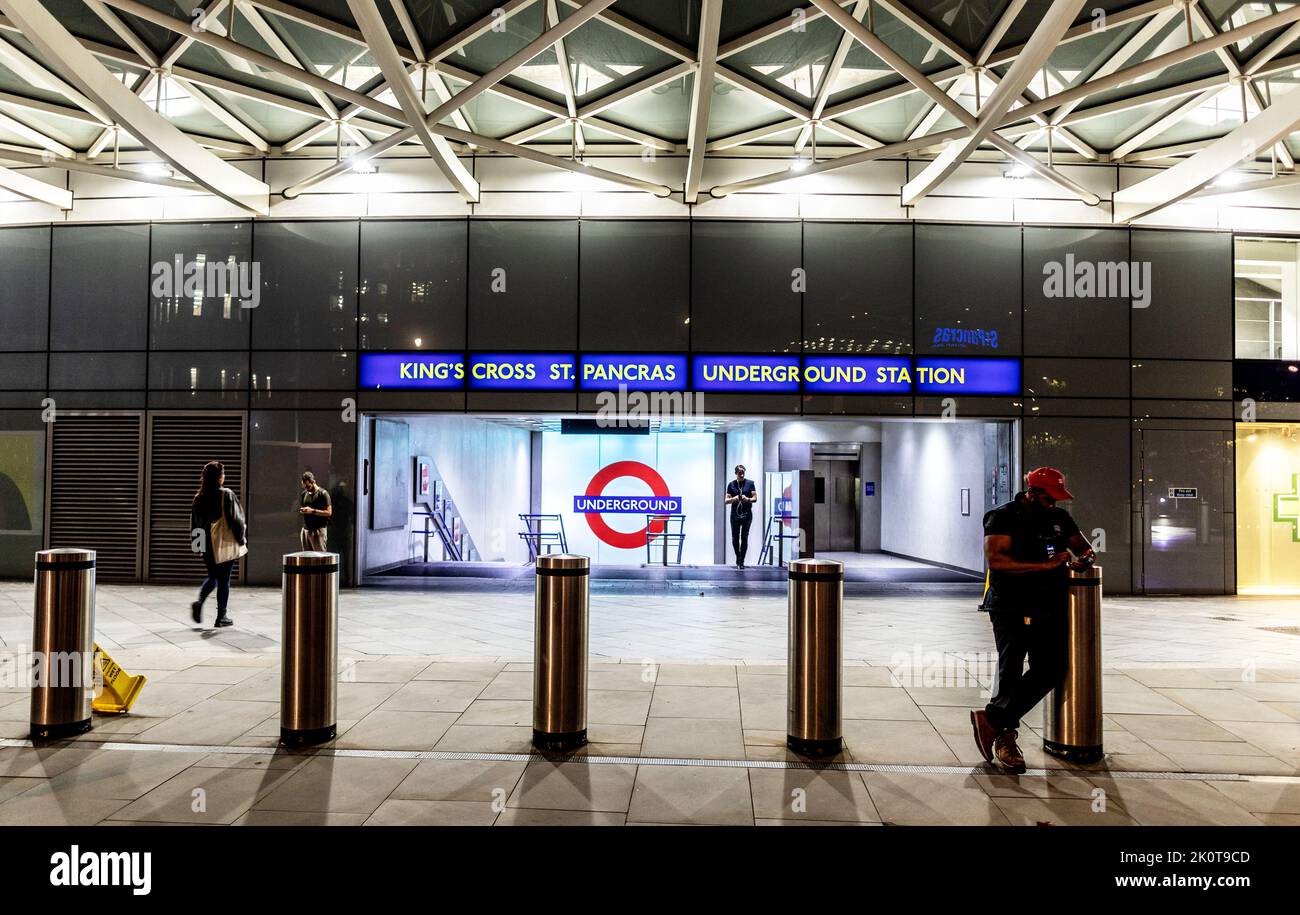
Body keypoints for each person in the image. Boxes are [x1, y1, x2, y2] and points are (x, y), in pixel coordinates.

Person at [970, 467, 1095, 773]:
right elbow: (997, 561)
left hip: (1048, 605)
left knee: (1051, 669)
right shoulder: (1001, 517)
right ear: (1032, 492)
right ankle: (1007, 740)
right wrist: (1047, 564)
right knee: (1010, 669)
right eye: (1050, 498)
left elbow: (1083, 546)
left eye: (1058, 499)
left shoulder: (1060, 519)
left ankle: (992, 719)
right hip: (1009, 605)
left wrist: (1085, 558)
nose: (1054, 504)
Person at [190, 460, 245, 629]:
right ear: (219, 477)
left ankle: (199, 602)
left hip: (206, 544)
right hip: (223, 542)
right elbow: (236, 520)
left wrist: (197, 546)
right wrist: (240, 539)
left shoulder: (198, 497)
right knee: (224, 579)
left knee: (214, 576)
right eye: (223, 474)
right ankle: (222, 616)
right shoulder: (226, 494)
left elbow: (195, 524)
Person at [724, 464, 757, 570]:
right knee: (735, 538)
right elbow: (726, 501)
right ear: (736, 473)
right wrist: (734, 498)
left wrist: (747, 499)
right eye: (740, 473)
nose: (742, 475)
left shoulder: (750, 484)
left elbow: (755, 498)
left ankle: (741, 560)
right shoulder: (731, 485)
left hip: (747, 514)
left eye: (743, 472)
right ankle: (738, 557)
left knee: (744, 537)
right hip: (735, 515)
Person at [299, 470, 332, 551]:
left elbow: (329, 512)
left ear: (313, 482)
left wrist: (312, 511)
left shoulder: (323, 494)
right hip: (306, 530)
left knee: (320, 558)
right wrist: (303, 510)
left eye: (308, 486)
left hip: (318, 530)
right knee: (306, 558)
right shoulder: (304, 494)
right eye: (304, 487)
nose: (307, 489)